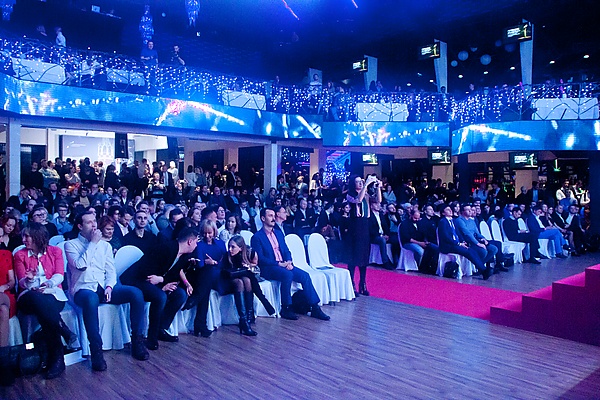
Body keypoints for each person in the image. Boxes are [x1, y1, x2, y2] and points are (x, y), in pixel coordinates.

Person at [65, 212, 149, 372]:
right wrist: (93, 243)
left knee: (135, 293)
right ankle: (96, 350)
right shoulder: (71, 245)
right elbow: (81, 265)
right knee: (91, 299)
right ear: (80, 226)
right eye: (89, 223)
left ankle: (137, 340)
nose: (94, 225)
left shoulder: (105, 246)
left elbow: (111, 271)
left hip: (103, 287)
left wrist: (110, 286)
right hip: (83, 289)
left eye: (94, 222)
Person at [120, 227, 197, 349]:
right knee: (160, 296)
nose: (196, 245)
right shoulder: (165, 248)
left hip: (157, 281)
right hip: (137, 279)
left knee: (180, 294)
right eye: (196, 242)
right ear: (190, 241)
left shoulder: (184, 256)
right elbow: (145, 270)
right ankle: (152, 337)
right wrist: (161, 284)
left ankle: (161, 328)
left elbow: (174, 275)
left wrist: (162, 281)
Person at [251, 208, 329, 321]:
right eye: (270, 216)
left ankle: (315, 307)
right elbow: (260, 259)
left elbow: (286, 251)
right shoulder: (257, 237)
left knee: (305, 276)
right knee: (287, 275)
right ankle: (286, 307)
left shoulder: (278, 233)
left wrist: (288, 261)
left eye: (274, 215)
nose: (273, 218)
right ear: (263, 218)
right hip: (269, 268)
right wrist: (279, 264)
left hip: (283, 265)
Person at [14, 223, 68, 379]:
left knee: (46, 307)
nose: (23, 240)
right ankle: (59, 350)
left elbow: (59, 275)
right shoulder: (20, 255)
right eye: (23, 236)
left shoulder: (55, 251)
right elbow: (22, 282)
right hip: (28, 295)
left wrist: (48, 284)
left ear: (37, 237)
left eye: (27, 236)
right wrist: (30, 280)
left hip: (52, 292)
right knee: (38, 298)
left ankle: (55, 357)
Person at [183, 220, 228, 337]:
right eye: (204, 233)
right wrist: (207, 263)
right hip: (204, 275)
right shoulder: (199, 245)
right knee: (206, 283)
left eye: (209, 233)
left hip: (219, 275)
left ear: (214, 232)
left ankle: (195, 299)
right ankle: (200, 324)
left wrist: (214, 263)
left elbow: (225, 262)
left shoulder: (221, 244)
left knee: (206, 281)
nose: (207, 236)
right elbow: (200, 264)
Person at [346, 174, 381, 296]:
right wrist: (366, 184)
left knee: (364, 255)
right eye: (358, 182)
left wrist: (378, 187)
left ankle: (363, 282)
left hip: (365, 225)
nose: (360, 183)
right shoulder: (350, 194)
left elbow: (378, 200)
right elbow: (358, 200)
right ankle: (351, 283)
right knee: (354, 255)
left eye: (361, 181)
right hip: (355, 226)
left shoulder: (366, 194)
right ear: (353, 184)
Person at [437, 204, 492, 279]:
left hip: (455, 244)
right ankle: (483, 270)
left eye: (450, 209)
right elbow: (446, 237)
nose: (450, 211)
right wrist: (458, 243)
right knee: (468, 252)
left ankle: (482, 269)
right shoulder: (442, 222)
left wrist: (462, 241)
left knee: (471, 250)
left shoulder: (453, 221)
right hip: (448, 246)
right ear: (443, 213)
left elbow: (458, 233)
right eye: (447, 210)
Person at [399, 208, 439, 273]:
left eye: (418, 218)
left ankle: (431, 267)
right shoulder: (404, 224)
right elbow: (407, 238)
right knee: (420, 251)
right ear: (411, 215)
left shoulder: (419, 223)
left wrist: (425, 241)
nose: (417, 220)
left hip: (420, 242)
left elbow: (424, 234)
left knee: (434, 248)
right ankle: (418, 266)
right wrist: (420, 243)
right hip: (408, 243)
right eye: (415, 218)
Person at [0, 248, 16, 386]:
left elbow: (12, 281)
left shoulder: (6, 254)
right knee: (3, 311)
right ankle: (4, 362)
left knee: (4, 305)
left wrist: (4, 286)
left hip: (4, 294)